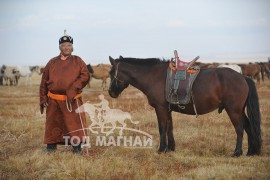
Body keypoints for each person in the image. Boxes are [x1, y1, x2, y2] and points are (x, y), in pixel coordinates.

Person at [40, 32, 90, 153]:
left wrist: (74, 88)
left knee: (74, 124)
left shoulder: (78, 61)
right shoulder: (52, 62)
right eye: (63, 45)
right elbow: (44, 81)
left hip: (71, 100)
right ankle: (51, 147)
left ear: (72, 47)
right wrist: (43, 98)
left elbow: (85, 75)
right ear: (59, 47)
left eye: (69, 45)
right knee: (53, 123)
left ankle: (76, 148)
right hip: (54, 100)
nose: (66, 47)